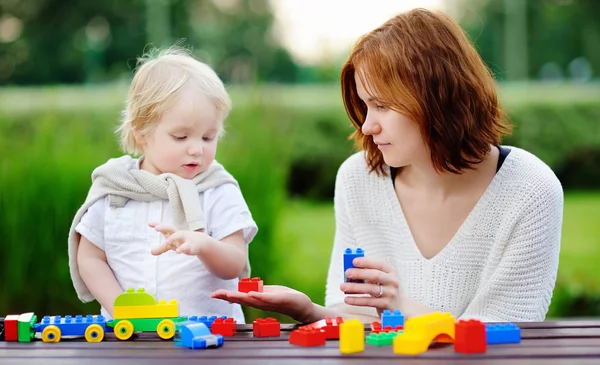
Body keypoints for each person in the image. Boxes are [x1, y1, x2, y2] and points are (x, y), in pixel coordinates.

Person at [211, 8, 564, 323]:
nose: (367, 126)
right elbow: (357, 319)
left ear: (438, 97)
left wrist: (399, 305)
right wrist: (308, 311)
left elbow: (503, 338)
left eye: (382, 106)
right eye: (365, 107)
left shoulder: (529, 189)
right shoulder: (359, 179)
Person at [67, 46, 258, 322]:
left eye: (208, 137)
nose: (196, 149)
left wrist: (203, 244)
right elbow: (90, 258)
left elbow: (234, 263)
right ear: (141, 133)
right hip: (130, 340)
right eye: (181, 137)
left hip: (211, 338)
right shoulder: (116, 186)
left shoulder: (218, 189)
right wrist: (122, 310)